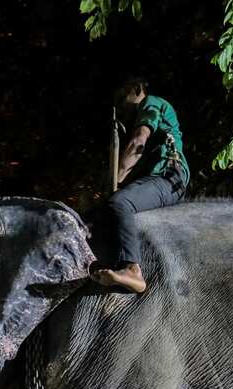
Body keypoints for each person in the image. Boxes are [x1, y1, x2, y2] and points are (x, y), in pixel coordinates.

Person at [90, 75, 189, 294]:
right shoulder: (142, 118)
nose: (119, 105)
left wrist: (115, 178)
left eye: (121, 97)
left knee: (121, 201)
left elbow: (138, 142)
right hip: (157, 179)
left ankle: (132, 269)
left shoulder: (152, 104)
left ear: (136, 89)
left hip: (168, 177)